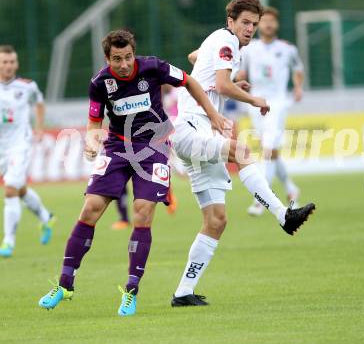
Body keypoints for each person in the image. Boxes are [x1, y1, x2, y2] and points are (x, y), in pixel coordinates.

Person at [38, 30, 228, 316]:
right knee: (90, 209)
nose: (124, 64)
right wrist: (91, 142)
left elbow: (188, 81)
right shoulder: (100, 83)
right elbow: (93, 123)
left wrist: (213, 115)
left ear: (133, 52)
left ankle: (131, 291)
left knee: (142, 212)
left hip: (154, 145)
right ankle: (65, 284)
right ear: (107, 58)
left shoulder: (153, 66)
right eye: (117, 59)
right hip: (117, 146)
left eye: (127, 57)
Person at [170, 0, 316, 307]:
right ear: (232, 22)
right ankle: (282, 215)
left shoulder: (226, 45)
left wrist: (220, 70)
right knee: (243, 152)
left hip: (197, 132)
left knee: (217, 220)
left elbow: (195, 55)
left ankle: (183, 292)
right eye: (245, 23)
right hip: (190, 128)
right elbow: (222, 85)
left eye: (254, 23)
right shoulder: (226, 41)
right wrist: (255, 100)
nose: (250, 29)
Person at [237, 6, 305, 216]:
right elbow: (242, 72)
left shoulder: (287, 49)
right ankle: (291, 189)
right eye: (263, 21)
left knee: (267, 149)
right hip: (256, 103)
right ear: (258, 25)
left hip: (277, 103)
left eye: (271, 21)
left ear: (276, 24)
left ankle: (261, 200)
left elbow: (298, 69)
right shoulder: (249, 49)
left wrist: (298, 86)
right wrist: (239, 83)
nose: (267, 24)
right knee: (271, 152)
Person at [0, 45, 55, 258]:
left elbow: (39, 104)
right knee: (20, 189)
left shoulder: (27, 86)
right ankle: (45, 216)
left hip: (19, 144)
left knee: (11, 189)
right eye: (4, 62)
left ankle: (8, 241)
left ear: (16, 64)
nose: (8, 65)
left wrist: (39, 127)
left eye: (12, 61)